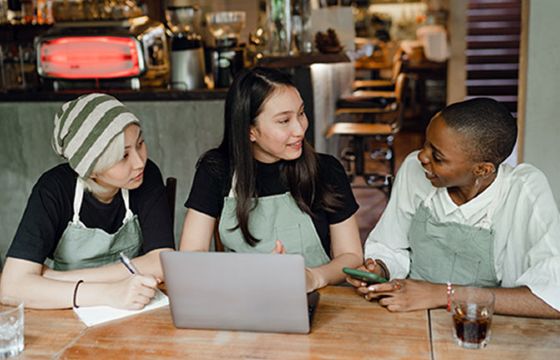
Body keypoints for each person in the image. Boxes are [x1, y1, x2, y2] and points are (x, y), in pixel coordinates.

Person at [348, 97, 560, 318]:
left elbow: (553, 296)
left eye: (438, 157)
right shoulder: (414, 169)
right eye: (425, 144)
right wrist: (380, 268)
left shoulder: (523, 190)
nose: (422, 156)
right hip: (410, 313)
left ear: (482, 170)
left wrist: (443, 295)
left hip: (483, 325)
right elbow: (390, 244)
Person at [180, 67, 363, 292]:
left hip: (319, 300)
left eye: (301, 113)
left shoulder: (327, 170)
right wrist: (250, 273)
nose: (299, 129)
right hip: (240, 299)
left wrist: (313, 278)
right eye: (284, 121)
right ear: (250, 131)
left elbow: (351, 256)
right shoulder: (216, 170)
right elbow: (191, 254)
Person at [0, 93, 175, 310]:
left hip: (133, 305)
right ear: (90, 170)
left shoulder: (146, 176)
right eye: (123, 156)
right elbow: (11, 287)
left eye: (140, 143)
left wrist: (59, 278)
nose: (140, 162)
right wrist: (109, 293)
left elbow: (162, 262)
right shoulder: (53, 189)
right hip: (63, 309)